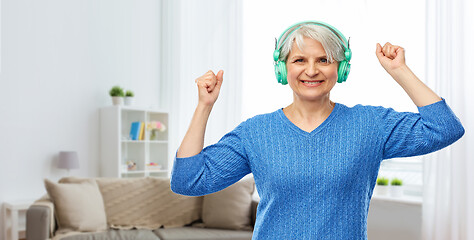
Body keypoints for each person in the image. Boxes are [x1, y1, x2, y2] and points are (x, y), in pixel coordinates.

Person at [170, 21, 465, 239]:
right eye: (299, 60)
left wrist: (400, 70)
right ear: (283, 69)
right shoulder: (256, 132)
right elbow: (187, 181)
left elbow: (445, 128)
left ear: (341, 68)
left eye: (324, 60)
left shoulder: (370, 125)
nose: (312, 70)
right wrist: (204, 106)